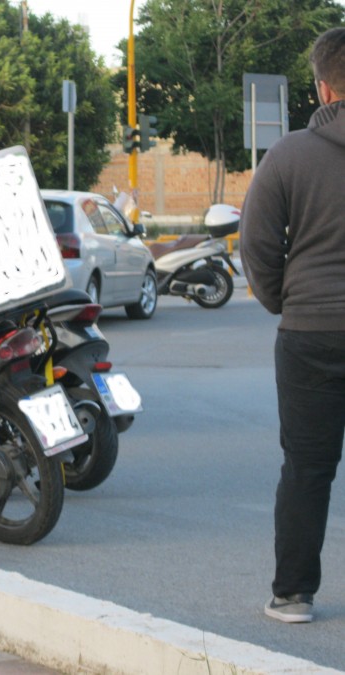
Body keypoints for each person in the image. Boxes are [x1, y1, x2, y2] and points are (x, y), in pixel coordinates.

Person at [240, 26, 345, 624]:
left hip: (309, 334)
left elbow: (256, 246)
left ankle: (293, 594)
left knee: (307, 466)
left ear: (324, 86)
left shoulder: (286, 155)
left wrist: (286, 299)